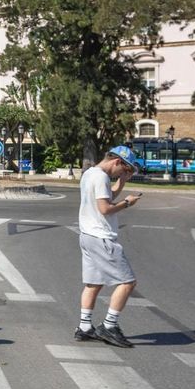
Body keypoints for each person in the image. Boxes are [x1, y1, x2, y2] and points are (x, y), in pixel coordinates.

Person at [72, 146, 147, 349]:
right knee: (128, 282)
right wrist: (128, 203)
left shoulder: (90, 174)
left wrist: (121, 183)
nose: (122, 174)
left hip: (87, 235)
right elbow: (105, 209)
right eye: (123, 170)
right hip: (102, 238)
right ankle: (109, 326)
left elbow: (106, 198)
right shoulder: (102, 178)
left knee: (93, 284)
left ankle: (85, 327)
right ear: (117, 162)